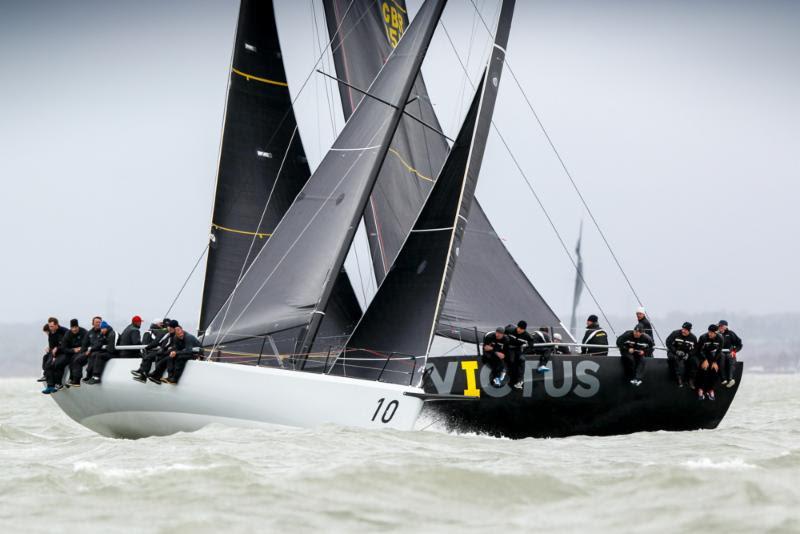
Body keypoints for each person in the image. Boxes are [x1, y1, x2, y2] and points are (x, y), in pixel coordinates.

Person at [46, 319, 87, 391]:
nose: (74, 329)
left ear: (78, 326)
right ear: (70, 327)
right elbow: (63, 348)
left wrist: (81, 349)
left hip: (81, 352)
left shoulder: (84, 332)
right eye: (72, 328)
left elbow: (88, 343)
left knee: (74, 360)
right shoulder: (68, 334)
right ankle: (58, 383)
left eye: (75, 327)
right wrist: (73, 350)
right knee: (58, 363)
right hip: (69, 352)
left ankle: (72, 379)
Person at [692, 324, 724, 401]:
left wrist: (715, 362)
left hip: (712, 356)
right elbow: (698, 350)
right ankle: (701, 389)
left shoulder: (720, 338)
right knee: (704, 368)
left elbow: (719, 351)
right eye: (709, 331)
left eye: (712, 332)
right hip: (701, 354)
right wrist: (704, 360)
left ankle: (711, 389)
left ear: (716, 333)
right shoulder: (703, 337)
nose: (710, 334)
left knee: (714, 369)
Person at [68, 316, 102, 386]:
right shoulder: (90, 333)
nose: (98, 323)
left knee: (93, 356)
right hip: (88, 352)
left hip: (98, 352)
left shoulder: (103, 331)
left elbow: (100, 343)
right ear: (93, 323)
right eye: (96, 322)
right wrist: (82, 353)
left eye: (99, 322)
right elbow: (84, 344)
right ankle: (76, 381)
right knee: (77, 359)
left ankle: (89, 376)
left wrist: (90, 349)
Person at [504, 321, 537, 389]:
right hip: (508, 347)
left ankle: (520, 380)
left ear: (524, 330)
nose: (519, 330)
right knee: (511, 360)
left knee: (522, 359)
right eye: (519, 328)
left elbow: (531, 344)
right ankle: (512, 380)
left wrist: (524, 352)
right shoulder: (510, 330)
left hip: (518, 349)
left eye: (522, 329)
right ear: (517, 327)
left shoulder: (527, 335)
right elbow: (502, 334)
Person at [665, 322, 697, 388]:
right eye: (683, 329)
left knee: (694, 361)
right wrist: (676, 351)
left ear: (689, 330)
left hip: (686, 353)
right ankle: (679, 379)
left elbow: (695, 349)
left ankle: (690, 380)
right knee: (674, 358)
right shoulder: (675, 333)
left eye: (685, 330)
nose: (683, 331)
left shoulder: (693, 337)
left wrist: (688, 354)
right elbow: (668, 342)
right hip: (674, 351)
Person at [40, 318, 67, 394]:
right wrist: (50, 349)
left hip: (64, 352)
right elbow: (52, 345)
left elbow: (66, 344)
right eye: (49, 326)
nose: (50, 328)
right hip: (55, 352)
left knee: (57, 364)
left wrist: (57, 348)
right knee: (48, 362)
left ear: (56, 325)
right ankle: (50, 386)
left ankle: (58, 384)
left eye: (51, 326)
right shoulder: (51, 333)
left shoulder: (64, 331)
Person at [718, 320, 743, 388]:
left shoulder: (731, 334)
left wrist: (734, 351)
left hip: (729, 353)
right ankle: (723, 379)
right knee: (722, 357)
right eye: (719, 326)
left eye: (722, 326)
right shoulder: (716, 334)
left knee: (730, 357)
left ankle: (731, 379)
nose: (720, 327)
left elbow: (739, 344)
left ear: (726, 326)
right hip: (719, 354)